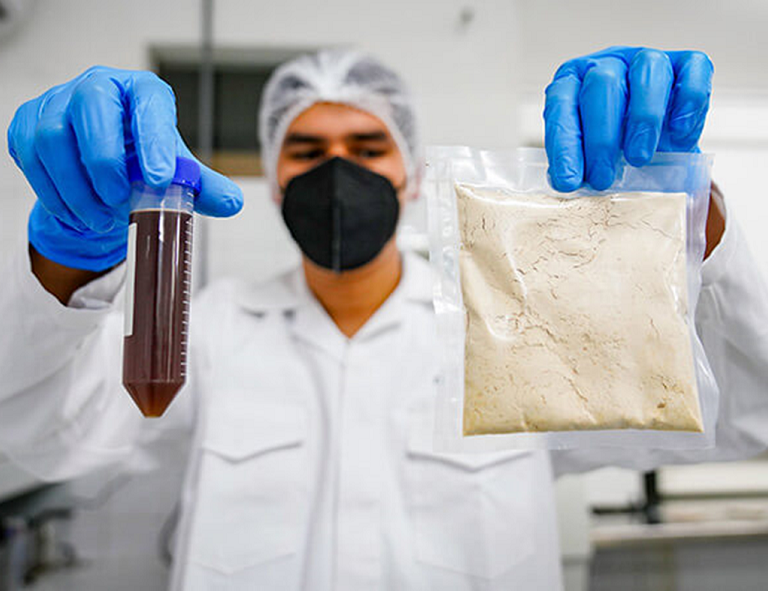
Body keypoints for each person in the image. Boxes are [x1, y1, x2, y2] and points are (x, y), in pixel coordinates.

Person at [1, 46, 767, 590]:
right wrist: (69, 261)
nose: (338, 168)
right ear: (274, 180)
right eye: (307, 150)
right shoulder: (213, 331)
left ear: (413, 176)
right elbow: (46, 436)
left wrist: (694, 227)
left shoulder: (509, 326)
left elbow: (744, 417)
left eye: (368, 146)